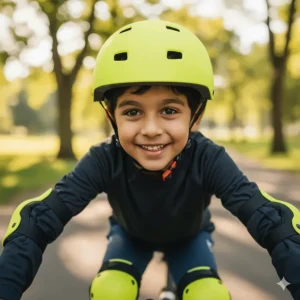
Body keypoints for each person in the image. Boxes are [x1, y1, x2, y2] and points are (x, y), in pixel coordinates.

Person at [0, 19, 300, 300]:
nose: (152, 130)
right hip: (131, 237)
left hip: (189, 239)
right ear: (111, 116)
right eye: (132, 112)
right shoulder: (103, 159)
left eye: (169, 110)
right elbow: (38, 221)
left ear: (196, 117)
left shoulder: (208, 158)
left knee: (209, 294)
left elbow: (269, 219)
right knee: (110, 290)